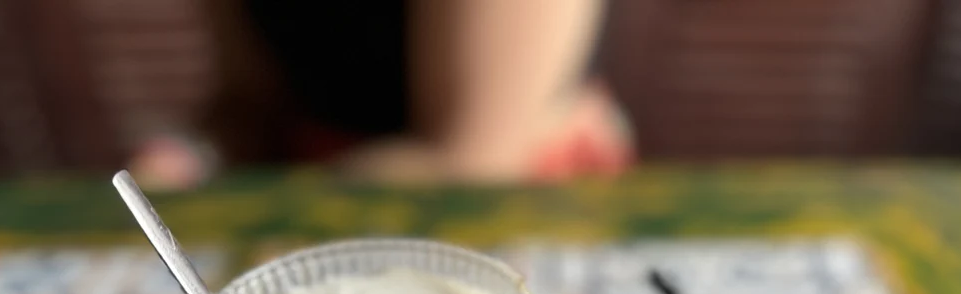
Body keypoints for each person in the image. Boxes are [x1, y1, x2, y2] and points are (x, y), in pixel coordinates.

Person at [130, 0, 633, 188]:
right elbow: (245, 103)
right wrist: (187, 161)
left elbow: (470, 161)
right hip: (308, 187)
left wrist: (252, 213)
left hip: (514, 197)